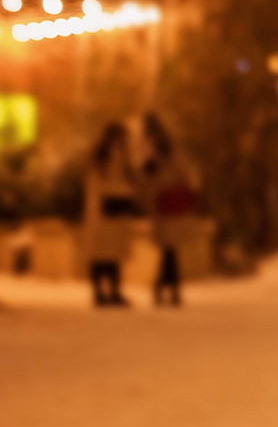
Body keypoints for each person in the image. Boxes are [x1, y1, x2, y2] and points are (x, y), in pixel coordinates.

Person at [140, 113, 204, 306]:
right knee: (169, 249)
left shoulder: (162, 149)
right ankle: (168, 287)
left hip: (167, 202)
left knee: (168, 248)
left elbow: (178, 172)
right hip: (166, 203)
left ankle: (165, 286)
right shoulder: (157, 149)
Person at [81, 120, 143, 307]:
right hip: (105, 211)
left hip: (116, 210)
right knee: (102, 255)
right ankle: (101, 293)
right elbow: (99, 185)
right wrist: (125, 190)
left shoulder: (121, 157)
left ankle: (112, 292)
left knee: (113, 255)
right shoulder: (102, 158)